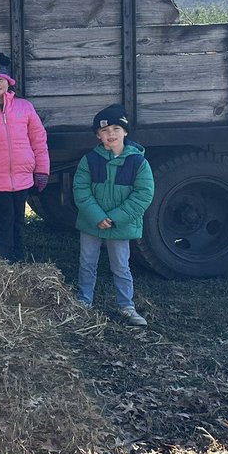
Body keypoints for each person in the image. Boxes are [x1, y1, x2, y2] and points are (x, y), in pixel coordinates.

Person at [73, 104, 154, 326]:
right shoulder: (89, 160)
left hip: (119, 224)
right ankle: (84, 301)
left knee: (120, 265)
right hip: (93, 223)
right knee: (87, 262)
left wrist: (115, 217)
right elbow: (81, 191)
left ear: (126, 132)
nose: (111, 134)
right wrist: (97, 216)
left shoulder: (138, 162)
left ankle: (126, 306)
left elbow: (143, 194)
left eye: (116, 129)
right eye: (105, 131)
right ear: (98, 136)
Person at [0, 53, 49, 263]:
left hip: (22, 178)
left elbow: (39, 140)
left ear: (8, 82)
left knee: (18, 222)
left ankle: (19, 259)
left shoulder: (25, 108)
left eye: (0, 80)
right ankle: (5, 262)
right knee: (1, 222)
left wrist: (41, 170)